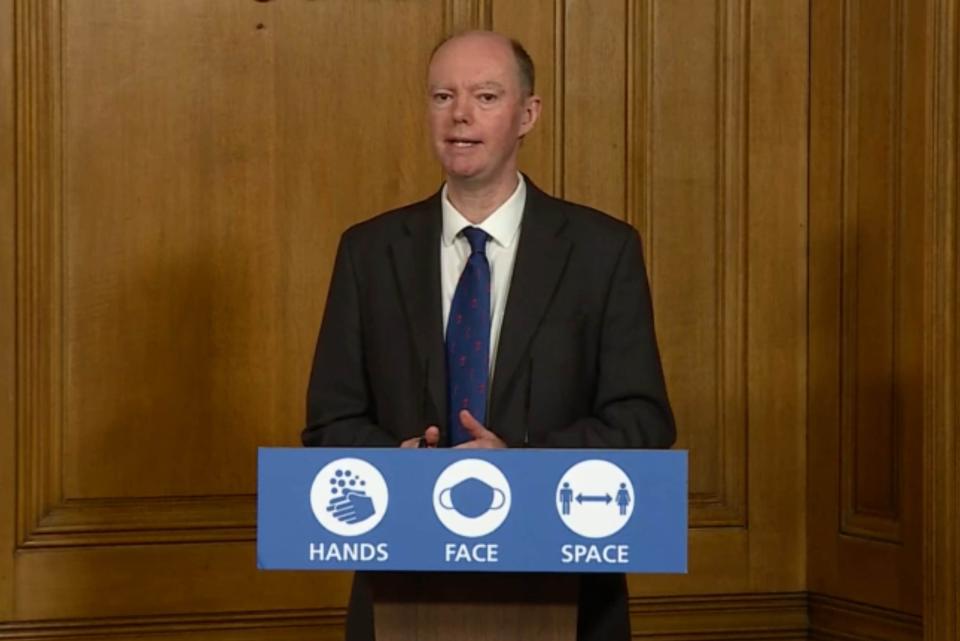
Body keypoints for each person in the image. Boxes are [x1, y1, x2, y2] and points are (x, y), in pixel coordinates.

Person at [302, 30, 675, 641]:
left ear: (528, 114)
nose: (460, 116)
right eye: (443, 96)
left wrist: (520, 467)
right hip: (404, 587)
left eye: (486, 96)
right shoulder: (368, 253)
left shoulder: (602, 251)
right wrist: (398, 464)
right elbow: (328, 423)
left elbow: (643, 421)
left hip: (566, 590)